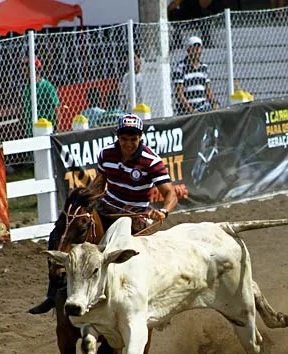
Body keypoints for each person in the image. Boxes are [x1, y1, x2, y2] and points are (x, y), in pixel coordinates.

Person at [28, 114, 188, 315]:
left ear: (140, 138)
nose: (128, 144)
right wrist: (88, 198)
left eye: (133, 139)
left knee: (123, 254)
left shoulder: (151, 161)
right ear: (117, 137)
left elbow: (170, 192)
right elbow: (100, 182)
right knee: (59, 233)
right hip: (107, 208)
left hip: (135, 215)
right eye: (124, 139)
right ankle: (53, 294)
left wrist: (163, 211)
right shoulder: (106, 154)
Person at [172, 36, 220, 116]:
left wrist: (215, 103)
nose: (197, 51)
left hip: (203, 107)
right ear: (188, 50)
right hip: (188, 111)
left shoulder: (204, 67)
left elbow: (208, 89)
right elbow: (179, 94)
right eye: (194, 48)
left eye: (199, 48)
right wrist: (192, 112)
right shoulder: (180, 67)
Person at [24, 57, 60, 137]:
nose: (24, 71)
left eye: (26, 68)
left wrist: (56, 129)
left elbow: (56, 109)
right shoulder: (26, 89)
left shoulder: (48, 87)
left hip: (46, 130)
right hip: (30, 132)